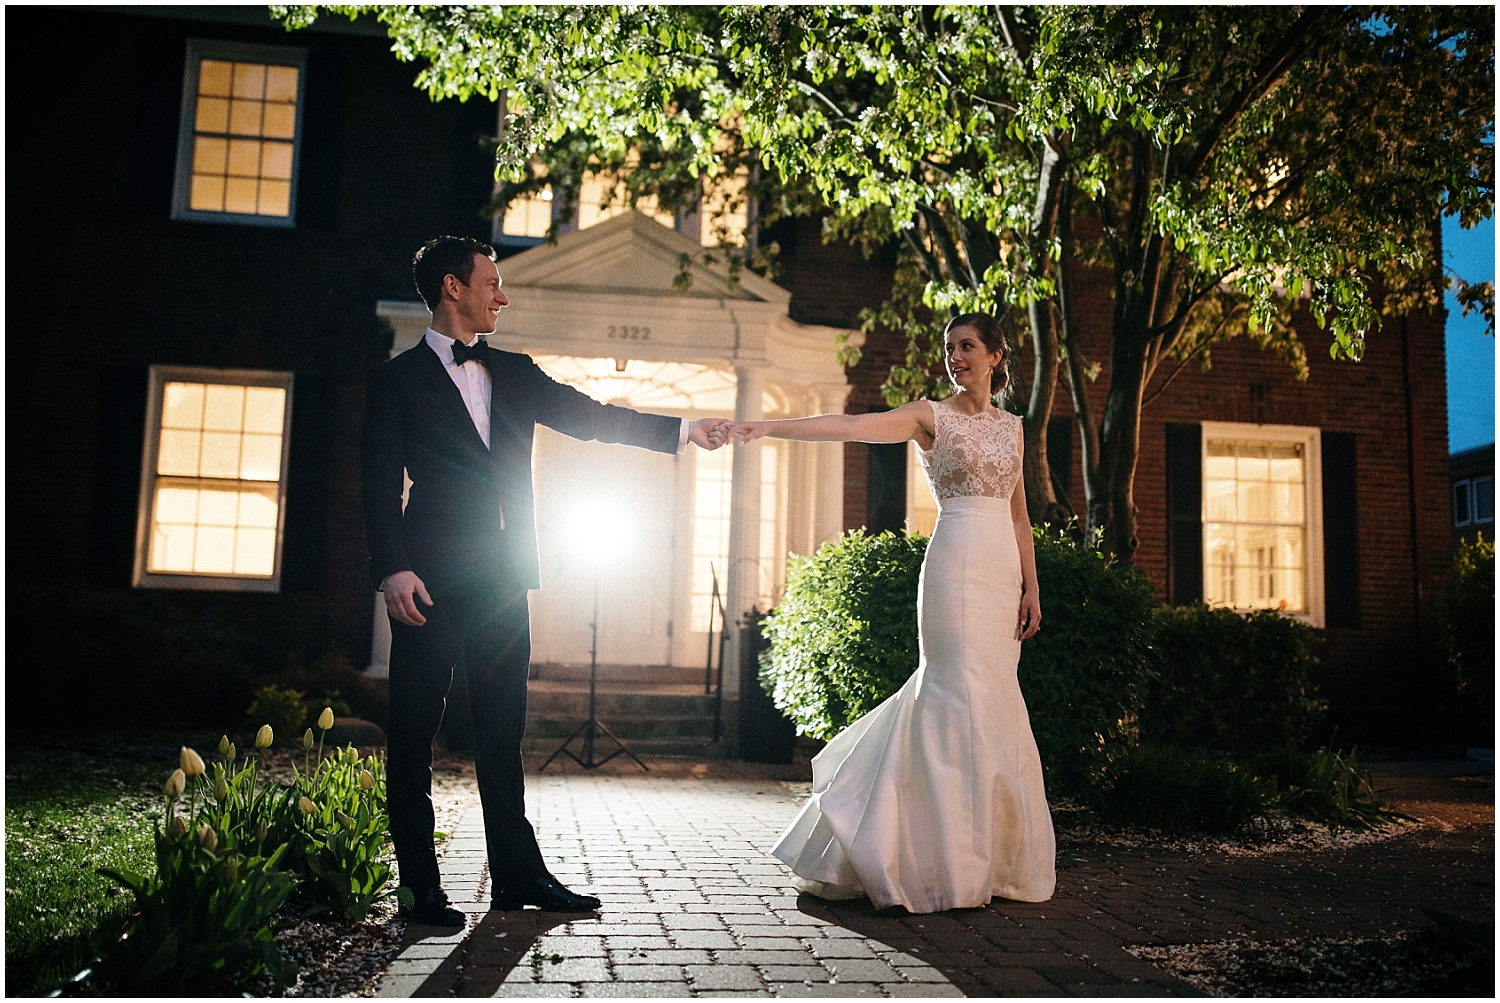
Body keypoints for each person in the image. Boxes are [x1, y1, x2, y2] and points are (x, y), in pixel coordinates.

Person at [362, 236, 732, 925]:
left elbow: (593, 417)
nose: (502, 295)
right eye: (491, 283)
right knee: (414, 732)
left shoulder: (515, 370)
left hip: (504, 576)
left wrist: (685, 429)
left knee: (502, 732)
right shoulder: (397, 380)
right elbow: (378, 481)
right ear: (453, 287)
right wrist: (392, 567)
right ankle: (420, 889)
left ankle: (518, 877)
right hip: (429, 581)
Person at [732, 313, 1055, 913]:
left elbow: (1019, 517)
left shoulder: (1013, 428)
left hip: (1000, 572)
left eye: (967, 347)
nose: (956, 357)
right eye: (949, 348)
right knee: (952, 691)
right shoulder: (930, 416)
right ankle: (932, 861)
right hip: (955, 565)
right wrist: (772, 426)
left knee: (994, 699)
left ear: (996, 356)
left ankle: (986, 864)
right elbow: (853, 425)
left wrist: (1031, 588)